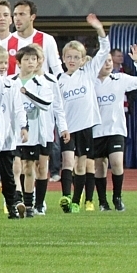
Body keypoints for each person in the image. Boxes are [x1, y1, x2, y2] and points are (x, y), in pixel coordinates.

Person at [56, 14, 110, 213]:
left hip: (85, 126)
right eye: (69, 57)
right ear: (63, 58)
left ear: (82, 59)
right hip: (68, 128)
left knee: (81, 165)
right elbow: (57, 107)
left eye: (76, 57)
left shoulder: (88, 73)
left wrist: (99, 28)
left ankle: (76, 201)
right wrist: (61, 127)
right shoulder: (58, 80)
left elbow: (104, 50)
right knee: (68, 161)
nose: (72, 60)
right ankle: (65, 196)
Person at [12, 44, 67, 217]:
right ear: (19, 62)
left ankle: (34, 204)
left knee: (35, 168)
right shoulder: (10, 82)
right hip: (13, 133)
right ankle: (17, 201)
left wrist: (63, 127)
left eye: (34, 59)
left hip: (39, 132)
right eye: (26, 59)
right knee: (16, 167)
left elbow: (50, 104)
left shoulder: (45, 82)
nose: (31, 62)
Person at [93, 44, 137, 212]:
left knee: (117, 163)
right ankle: (102, 201)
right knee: (100, 166)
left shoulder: (120, 79)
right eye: (104, 61)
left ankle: (117, 197)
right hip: (96, 131)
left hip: (116, 130)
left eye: (110, 61)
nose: (108, 64)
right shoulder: (89, 82)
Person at [0, 44, 27, 220]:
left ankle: (12, 205)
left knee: (8, 175)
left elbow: (18, 108)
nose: (4, 66)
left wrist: (23, 126)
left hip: (6, 139)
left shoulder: (12, 84)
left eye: (5, 62)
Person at [6, 0, 61, 75]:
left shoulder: (47, 39)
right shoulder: (7, 40)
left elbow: (57, 70)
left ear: (32, 17)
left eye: (22, 14)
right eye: (15, 14)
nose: (17, 18)